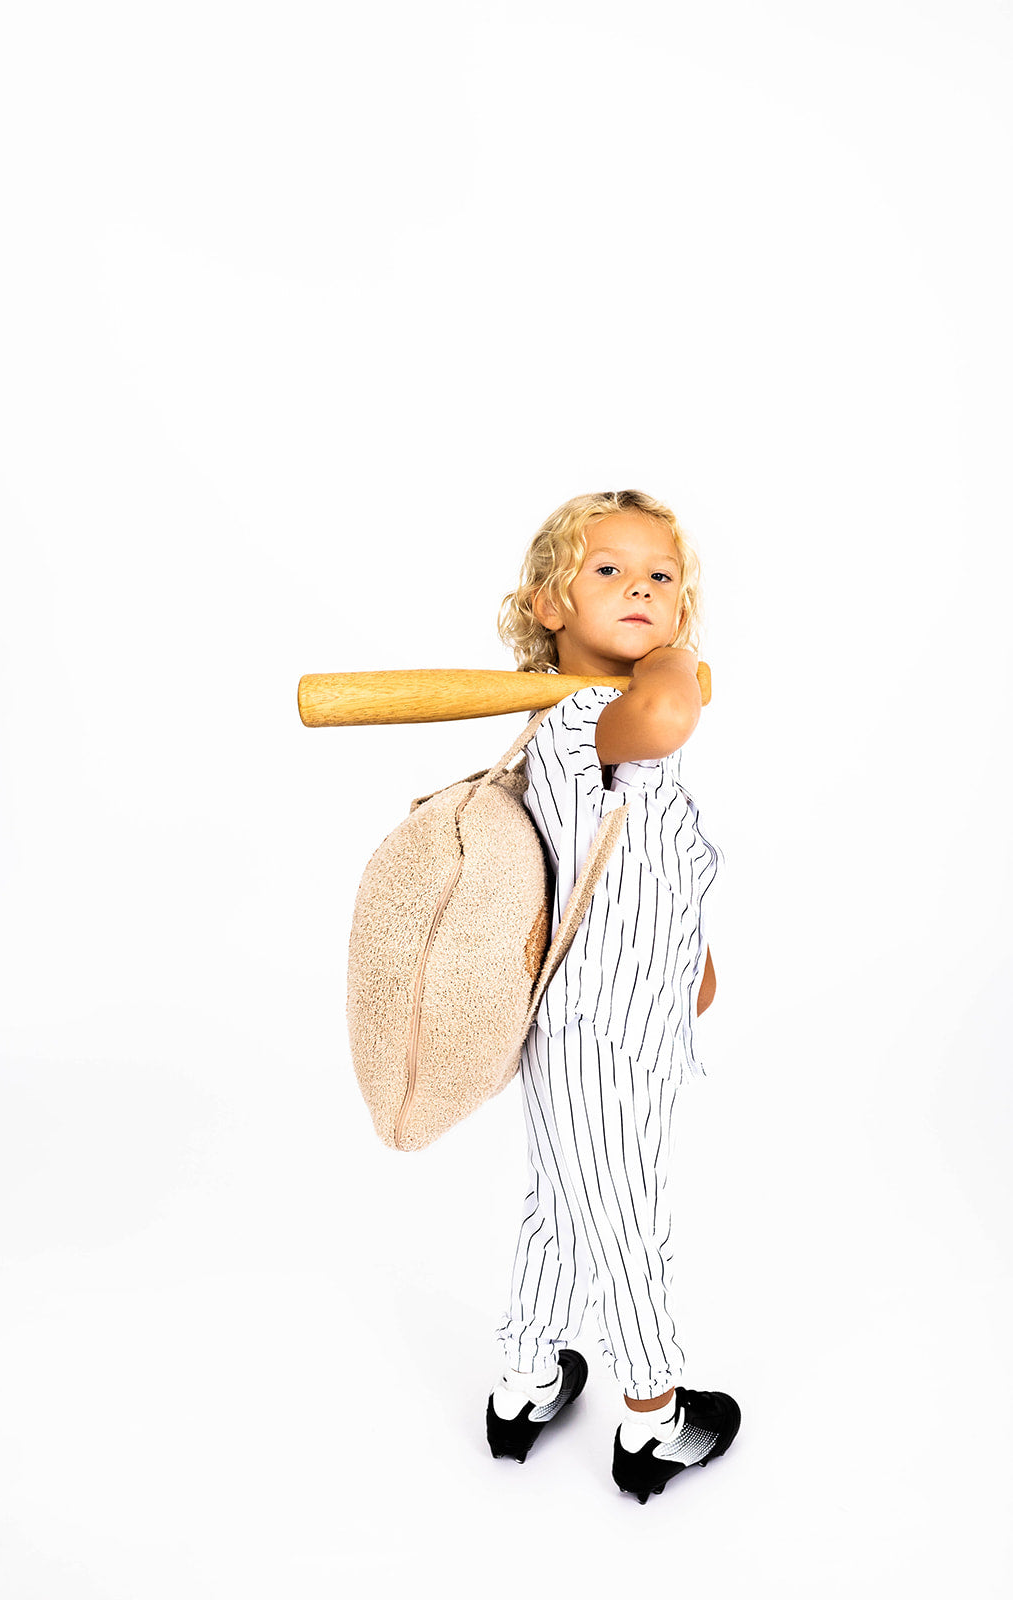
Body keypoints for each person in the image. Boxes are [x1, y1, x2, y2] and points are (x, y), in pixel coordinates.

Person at [486, 489, 741, 1502]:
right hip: (602, 1026)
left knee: (561, 1201)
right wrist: (672, 659)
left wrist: (693, 965)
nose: (640, 584)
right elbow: (666, 715)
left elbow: (636, 862)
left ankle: (525, 1379)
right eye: (607, 570)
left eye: (660, 576)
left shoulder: (585, 725)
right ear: (549, 606)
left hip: (601, 1009)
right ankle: (651, 1415)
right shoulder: (589, 714)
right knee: (625, 1215)